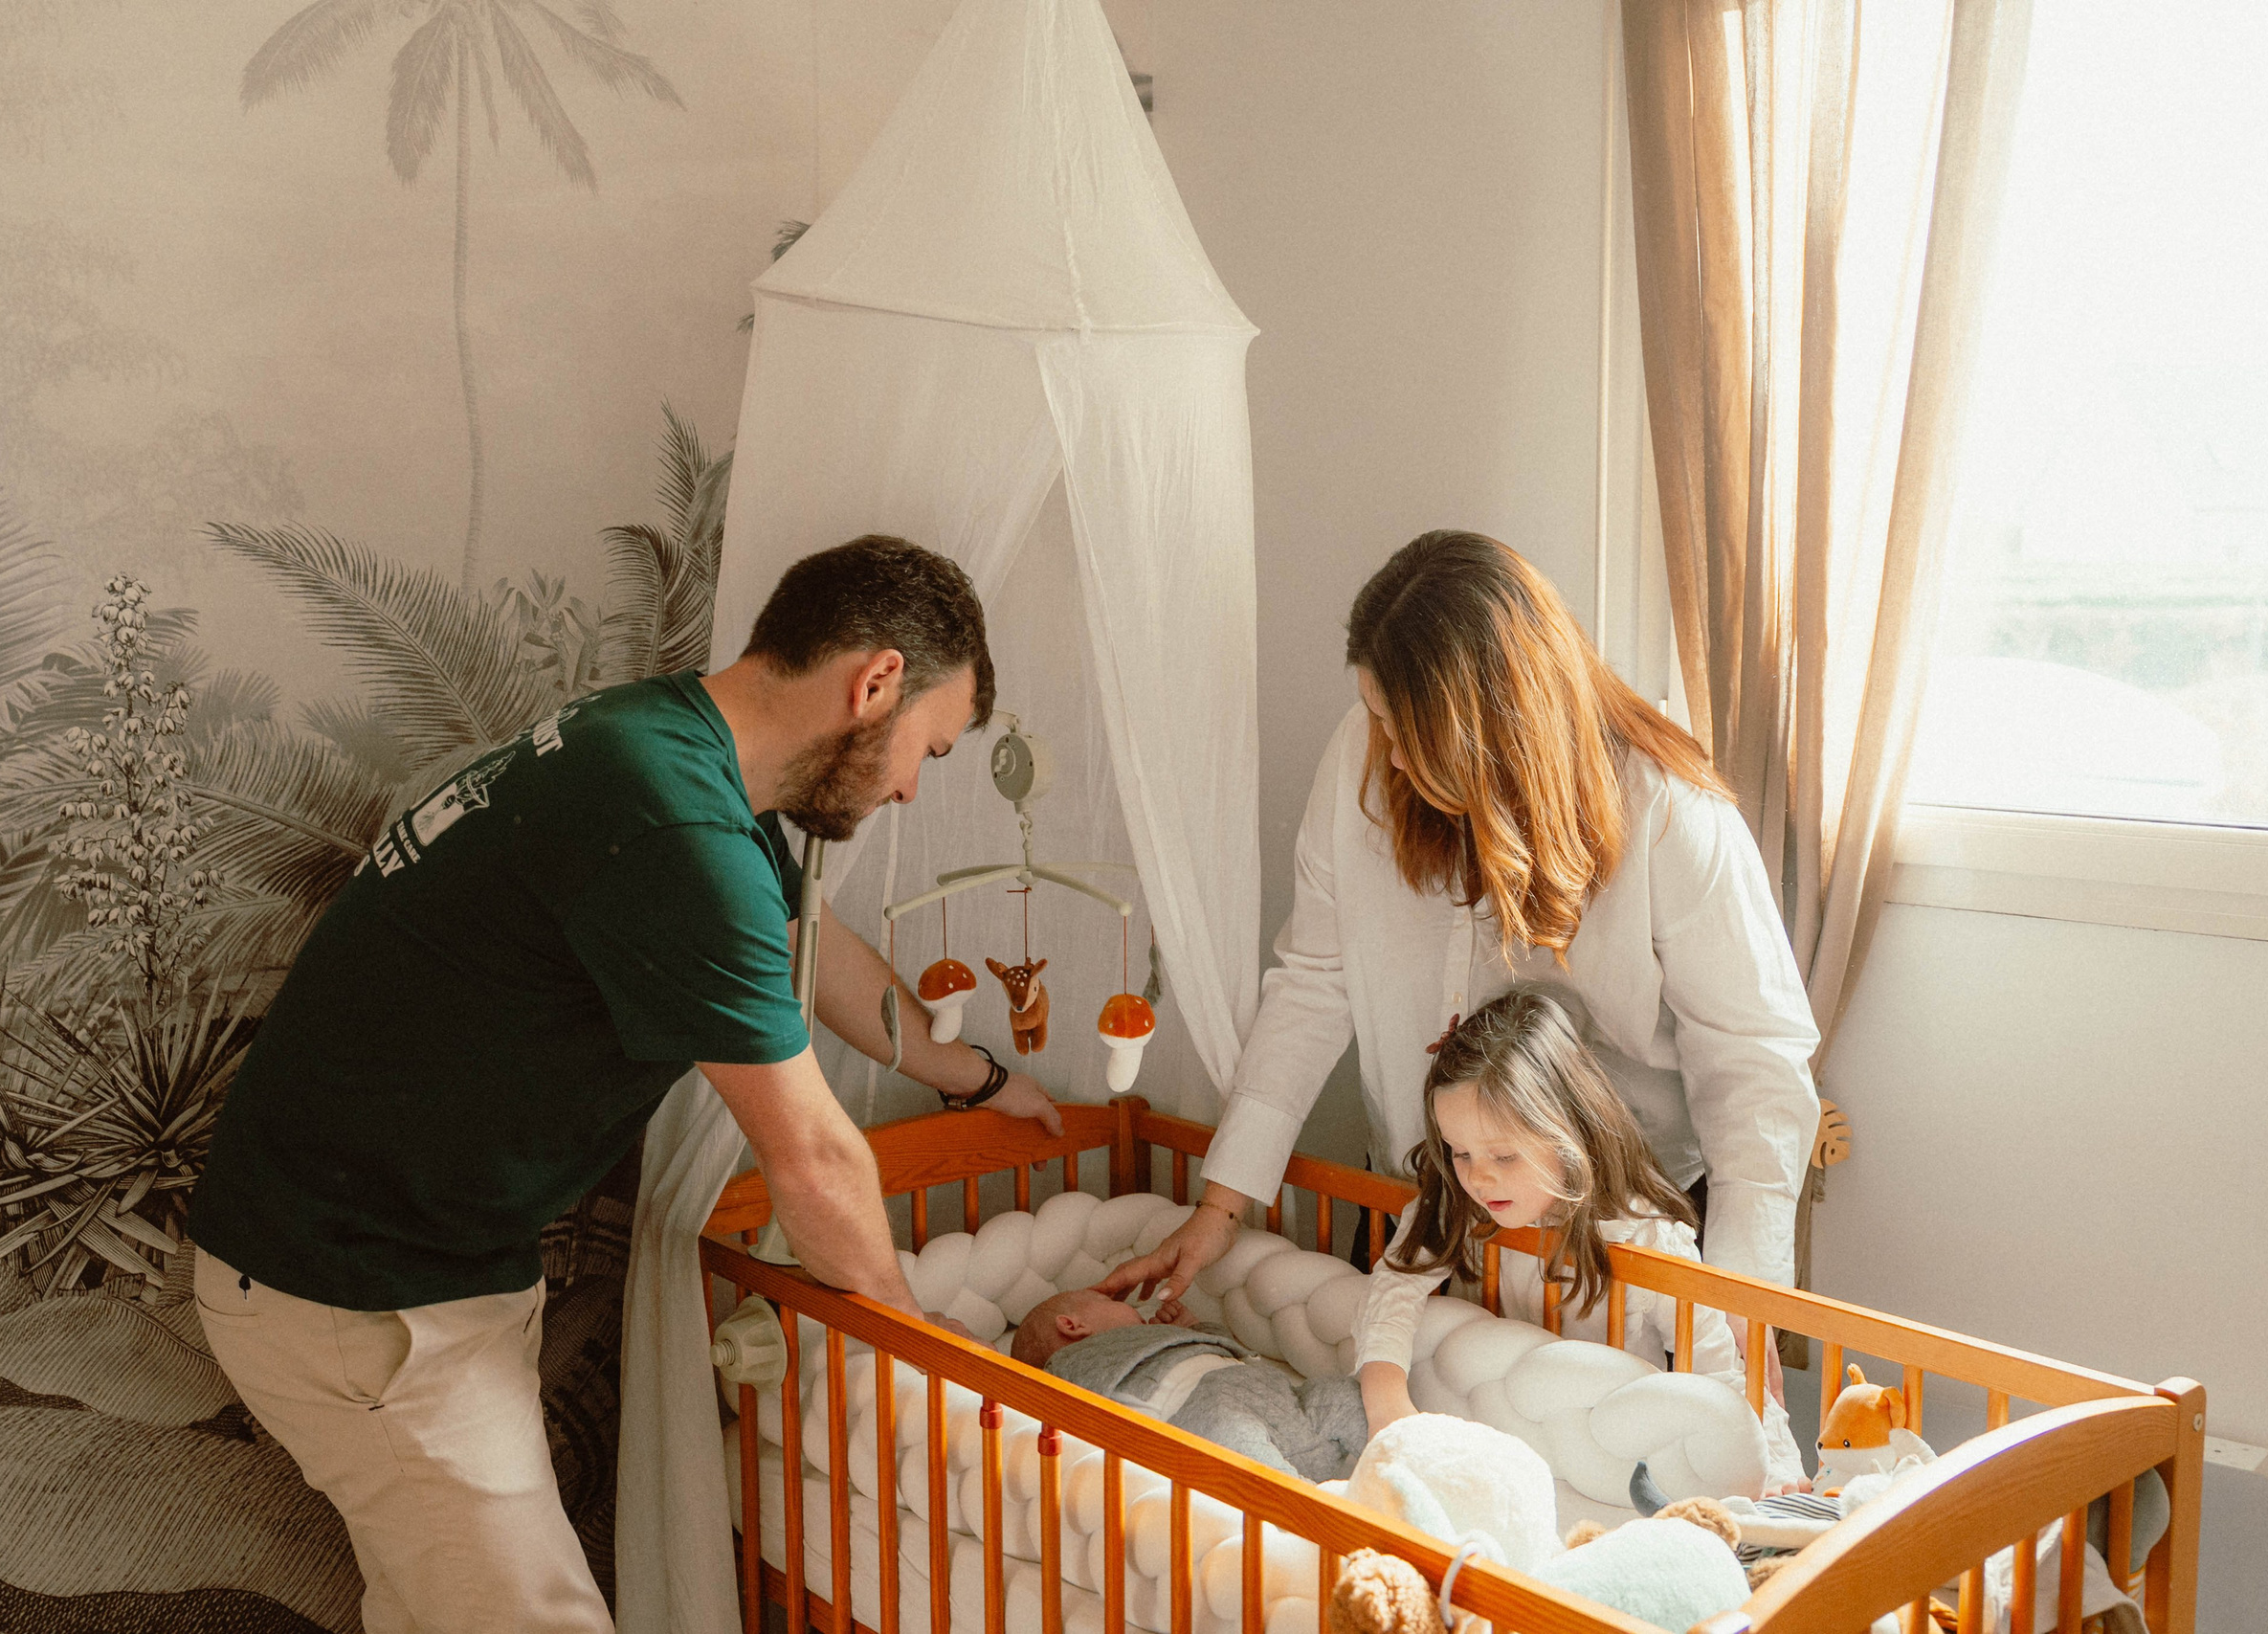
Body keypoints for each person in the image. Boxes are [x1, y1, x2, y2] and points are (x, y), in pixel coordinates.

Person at [187, 536, 1064, 1634]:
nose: (907, 788)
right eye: (924, 750)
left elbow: (814, 954)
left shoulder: (663, 745)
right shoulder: (670, 819)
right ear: (875, 681)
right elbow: (812, 1155)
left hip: (413, 1266)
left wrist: (979, 1079)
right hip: (360, 1292)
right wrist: (929, 1359)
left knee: (434, 1610)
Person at [1101, 531, 1819, 1344]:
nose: (1391, 756)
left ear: (1485, 731)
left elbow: (1754, 1070)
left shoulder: (1670, 814)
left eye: (1409, 733)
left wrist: (1741, 1322)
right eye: (1376, 719)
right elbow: (1313, 980)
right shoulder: (1363, 759)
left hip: (1607, 1232)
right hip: (1426, 1202)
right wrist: (1222, 1205)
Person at [1353, 991, 1804, 1488]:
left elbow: (1720, 1376)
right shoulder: (1457, 1209)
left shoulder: (1643, 1238)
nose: (1479, 1180)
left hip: (1611, 1466)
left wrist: (1777, 1466)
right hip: (1502, 1439)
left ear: (1568, 1135)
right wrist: (1387, 1404)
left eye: (1504, 1158)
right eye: (1460, 1153)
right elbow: (1392, 1290)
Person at [1013, 1290, 1368, 1481]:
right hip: (1204, 1412)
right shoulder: (1069, 1366)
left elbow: (1224, 1347)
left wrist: (1194, 1327)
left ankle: (1396, 1460)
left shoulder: (1161, 1336)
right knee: (1230, 1431)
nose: (1134, 1306)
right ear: (1072, 1326)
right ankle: (1317, 1512)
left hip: (1282, 1402)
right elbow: (1013, 1387)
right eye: (1110, 1302)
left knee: (1341, 1394)